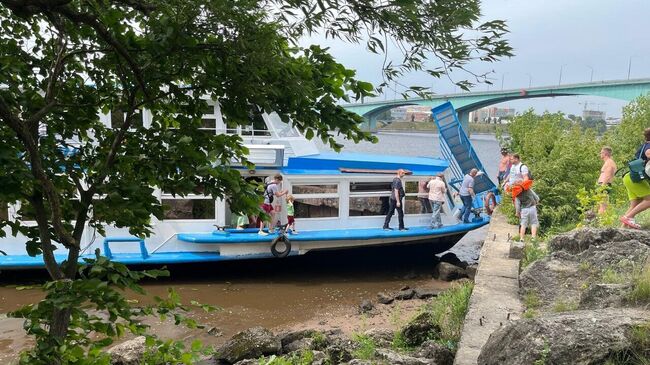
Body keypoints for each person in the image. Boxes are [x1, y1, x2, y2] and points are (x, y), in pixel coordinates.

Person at [620, 128, 650, 229]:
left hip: (629, 177)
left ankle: (621, 230)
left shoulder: (644, 145)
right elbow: (648, 153)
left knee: (634, 205)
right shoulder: (648, 146)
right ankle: (628, 218)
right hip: (635, 179)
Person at [597, 146, 617, 214]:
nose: (600, 154)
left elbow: (608, 175)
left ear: (604, 153)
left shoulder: (609, 162)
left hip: (604, 185)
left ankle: (601, 222)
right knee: (602, 204)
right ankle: (604, 220)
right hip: (603, 185)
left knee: (602, 205)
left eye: (601, 153)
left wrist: (602, 186)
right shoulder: (608, 162)